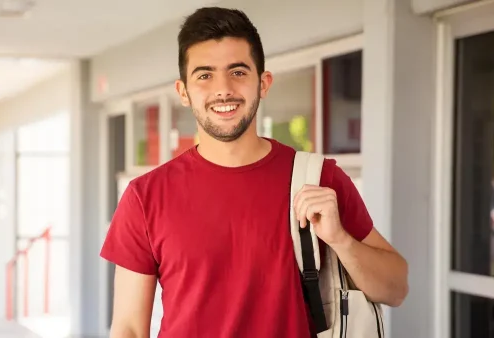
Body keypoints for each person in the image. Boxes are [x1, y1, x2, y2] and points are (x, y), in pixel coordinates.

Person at [100, 6, 408, 338]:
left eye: (238, 72)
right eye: (205, 75)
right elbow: (129, 328)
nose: (223, 89)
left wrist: (340, 240)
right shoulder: (145, 197)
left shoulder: (318, 179)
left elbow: (396, 289)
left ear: (263, 83)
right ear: (183, 92)